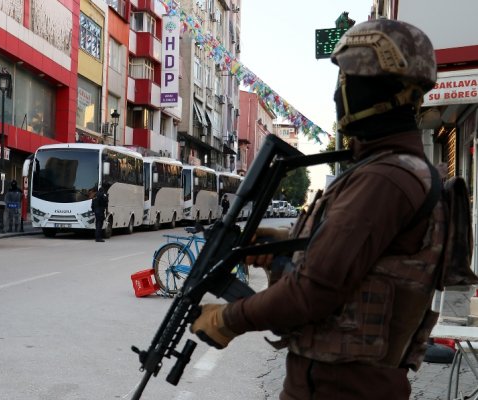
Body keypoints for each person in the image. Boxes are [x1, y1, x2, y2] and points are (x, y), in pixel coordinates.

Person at [190, 19, 443, 400]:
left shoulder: (385, 179)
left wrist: (228, 318)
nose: (340, 92)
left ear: (382, 89)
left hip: (341, 388)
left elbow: (314, 291)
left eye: (349, 79)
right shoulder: (384, 169)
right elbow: (357, 264)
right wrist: (285, 247)